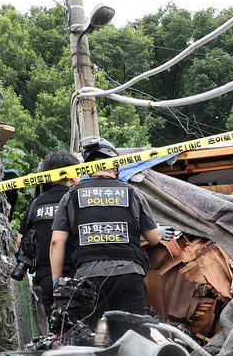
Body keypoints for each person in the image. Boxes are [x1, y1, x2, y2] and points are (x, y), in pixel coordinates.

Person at [48, 137, 162, 340]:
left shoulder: (71, 195)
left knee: (92, 338)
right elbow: (154, 238)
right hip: (129, 275)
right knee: (135, 339)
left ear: (89, 168)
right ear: (115, 167)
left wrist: (58, 282)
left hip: (88, 279)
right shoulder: (132, 193)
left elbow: (56, 242)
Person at [15, 150, 81, 323]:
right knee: (81, 326)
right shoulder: (77, 200)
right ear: (73, 174)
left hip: (46, 275)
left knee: (56, 328)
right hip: (77, 273)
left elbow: (20, 240)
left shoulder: (36, 203)